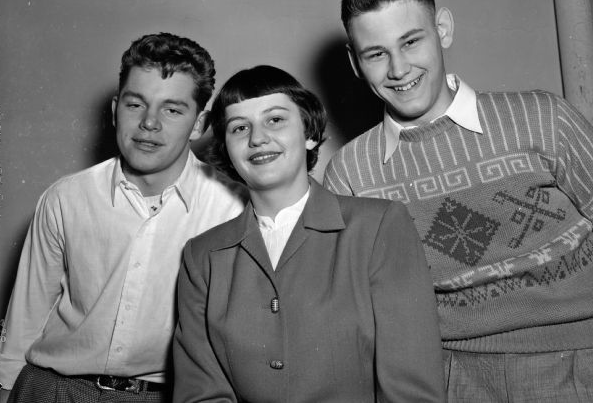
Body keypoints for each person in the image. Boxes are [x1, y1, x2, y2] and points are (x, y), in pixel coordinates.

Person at [323, 0, 593, 402]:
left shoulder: (543, 117)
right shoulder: (351, 174)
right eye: (376, 53)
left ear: (443, 29)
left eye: (411, 41)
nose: (398, 68)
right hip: (448, 378)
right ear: (356, 63)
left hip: (577, 359)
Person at [0, 33, 246, 403]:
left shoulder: (233, 209)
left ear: (198, 124)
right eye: (135, 104)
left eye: (172, 109)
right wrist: (5, 390)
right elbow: (27, 316)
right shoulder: (66, 197)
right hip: (51, 389)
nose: (149, 123)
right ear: (115, 110)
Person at [172, 65, 445, 403]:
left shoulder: (378, 227)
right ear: (227, 149)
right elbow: (200, 393)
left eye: (275, 120)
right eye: (240, 128)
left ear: (310, 133)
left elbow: (412, 391)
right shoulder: (203, 256)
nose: (257, 138)